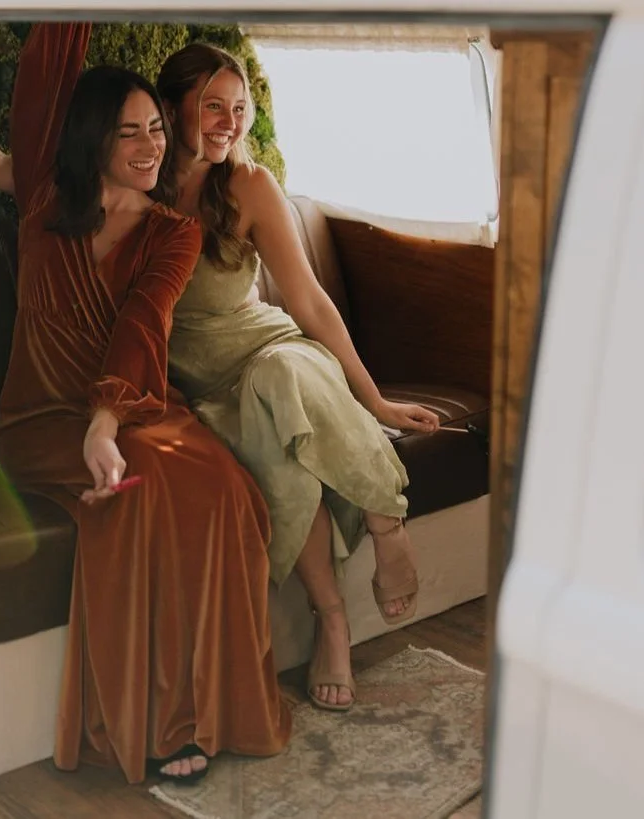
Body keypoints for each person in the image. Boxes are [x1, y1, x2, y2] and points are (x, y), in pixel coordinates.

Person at [0, 24, 291, 785]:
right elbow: (34, 89)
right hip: (41, 421)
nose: (152, 146)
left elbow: (141, 325)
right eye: (130, 133)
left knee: (226, 489)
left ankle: (219, 707)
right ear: (94, 139)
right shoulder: (45, 197)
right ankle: (158, 723)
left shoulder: (173, 234)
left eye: (157, 128)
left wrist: (108, 421)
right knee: (136, 494)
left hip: (132, 408)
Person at [155, 45, 442, 713]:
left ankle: (385, 521)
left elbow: (309, 300)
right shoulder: (138, 180)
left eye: (239, 108)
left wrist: (375, 399)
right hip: (209, 389)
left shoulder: (250, 185)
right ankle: (331, 618)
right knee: (282, 451)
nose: (230, 122)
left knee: (280, 375)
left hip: (276, 352)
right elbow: (17, 176)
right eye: (212, 106)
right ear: (171, 108)